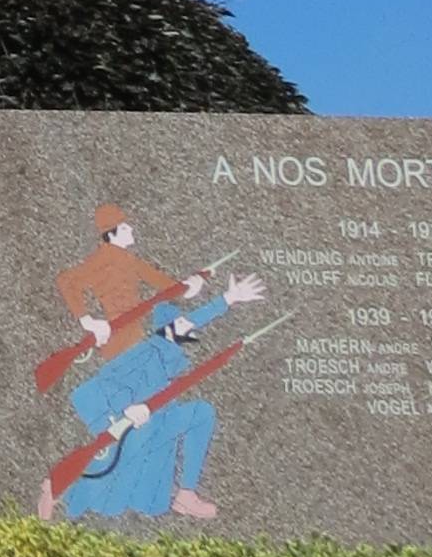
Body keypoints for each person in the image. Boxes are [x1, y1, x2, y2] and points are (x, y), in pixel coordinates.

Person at [35, 204, 264, 524]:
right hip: (122, 351)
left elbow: (171, 296)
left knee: (197, 414)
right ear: (112, 233)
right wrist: (90, 323)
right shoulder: (107, 265)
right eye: (126, 228)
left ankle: (185, 495)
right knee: (114, 454)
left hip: (135, 352)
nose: (132, 232)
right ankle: (58, 487)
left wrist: (205, 292)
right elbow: (68, 281)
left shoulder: (158, 332)